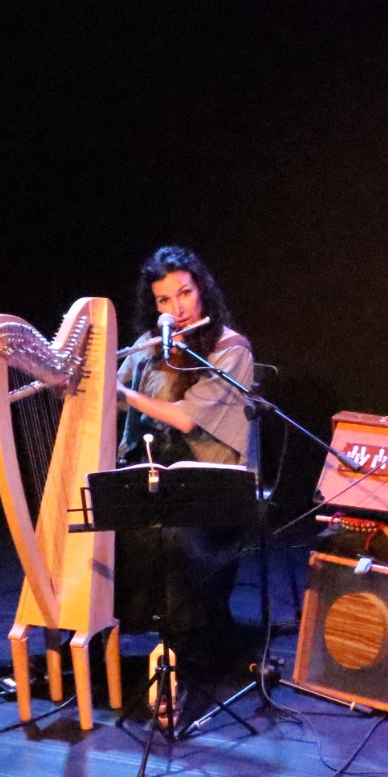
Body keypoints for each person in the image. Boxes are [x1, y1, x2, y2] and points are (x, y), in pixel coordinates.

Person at [115, 245, 255, 708]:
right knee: (108, 526)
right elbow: (111, 396)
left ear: (203, 291)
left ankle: (177, 655)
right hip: (156, 481)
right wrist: (76, 382)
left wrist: (122, 393)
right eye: (163, 300)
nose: (177, 309)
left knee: (174, 536)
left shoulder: (231, 349)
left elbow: (184, 418)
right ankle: (107, 648)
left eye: (185, 293)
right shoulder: (148, 349)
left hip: (214, 488)